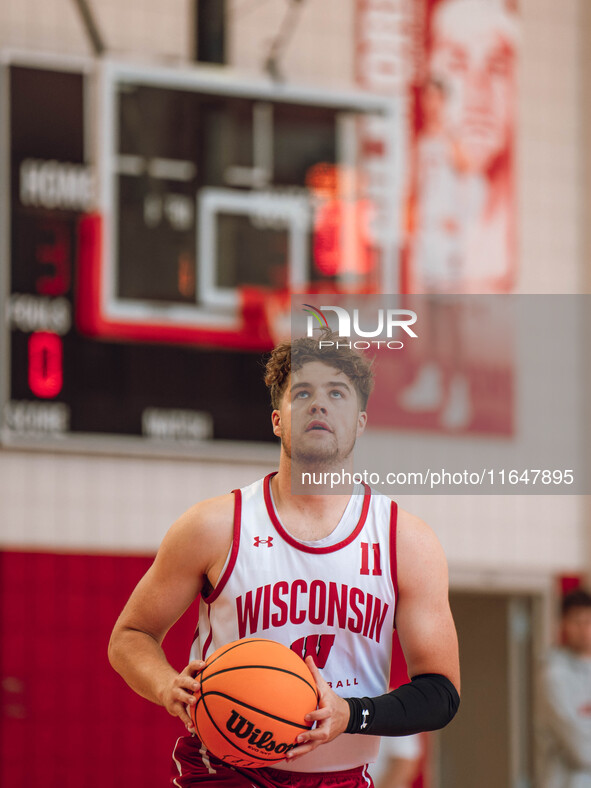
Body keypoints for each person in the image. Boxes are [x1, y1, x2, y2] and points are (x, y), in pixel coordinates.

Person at [108, 332, 460, 786]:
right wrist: (164, 684)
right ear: (278, 419)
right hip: (226, 770)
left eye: (337, 393)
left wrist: (351, 713)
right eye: (302, 393)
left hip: (341, 776)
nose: (319, 404)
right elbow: (130, 635)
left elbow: (441, 693)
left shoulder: (405, 541)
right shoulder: (215, 525)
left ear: (360, 422)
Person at [539, 589, 591, 788]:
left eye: (588, 621)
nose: (584, 630)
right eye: (577, 622)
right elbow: (582, 750)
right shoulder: (554, 675)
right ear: (563, 625)